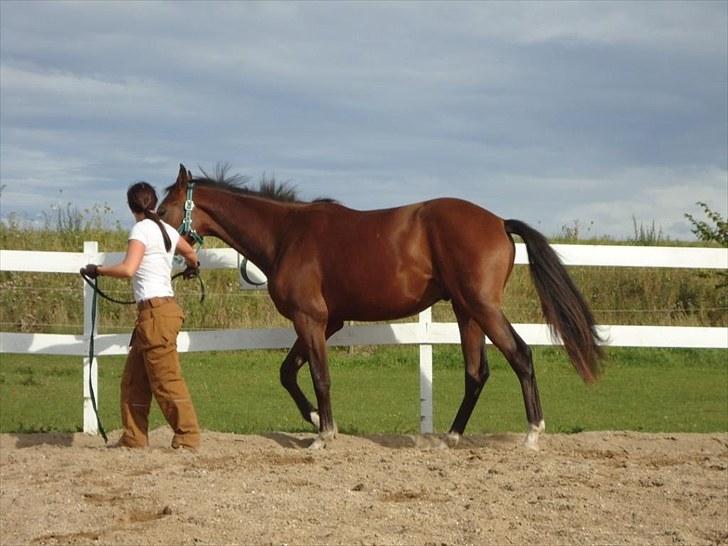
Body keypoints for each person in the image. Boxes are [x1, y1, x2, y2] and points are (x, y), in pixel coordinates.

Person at [81, 181, 201, 450]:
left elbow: (128, 269)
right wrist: (193, 266)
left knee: (167, 380)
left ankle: (188, 436)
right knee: (134, 381)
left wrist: (97, 270)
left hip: (155, 315)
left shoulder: (141, 229)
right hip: (157, 314)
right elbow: (191, 252)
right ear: (154, 202)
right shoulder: (167, 229)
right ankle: (134, 438)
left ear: (131, 206)